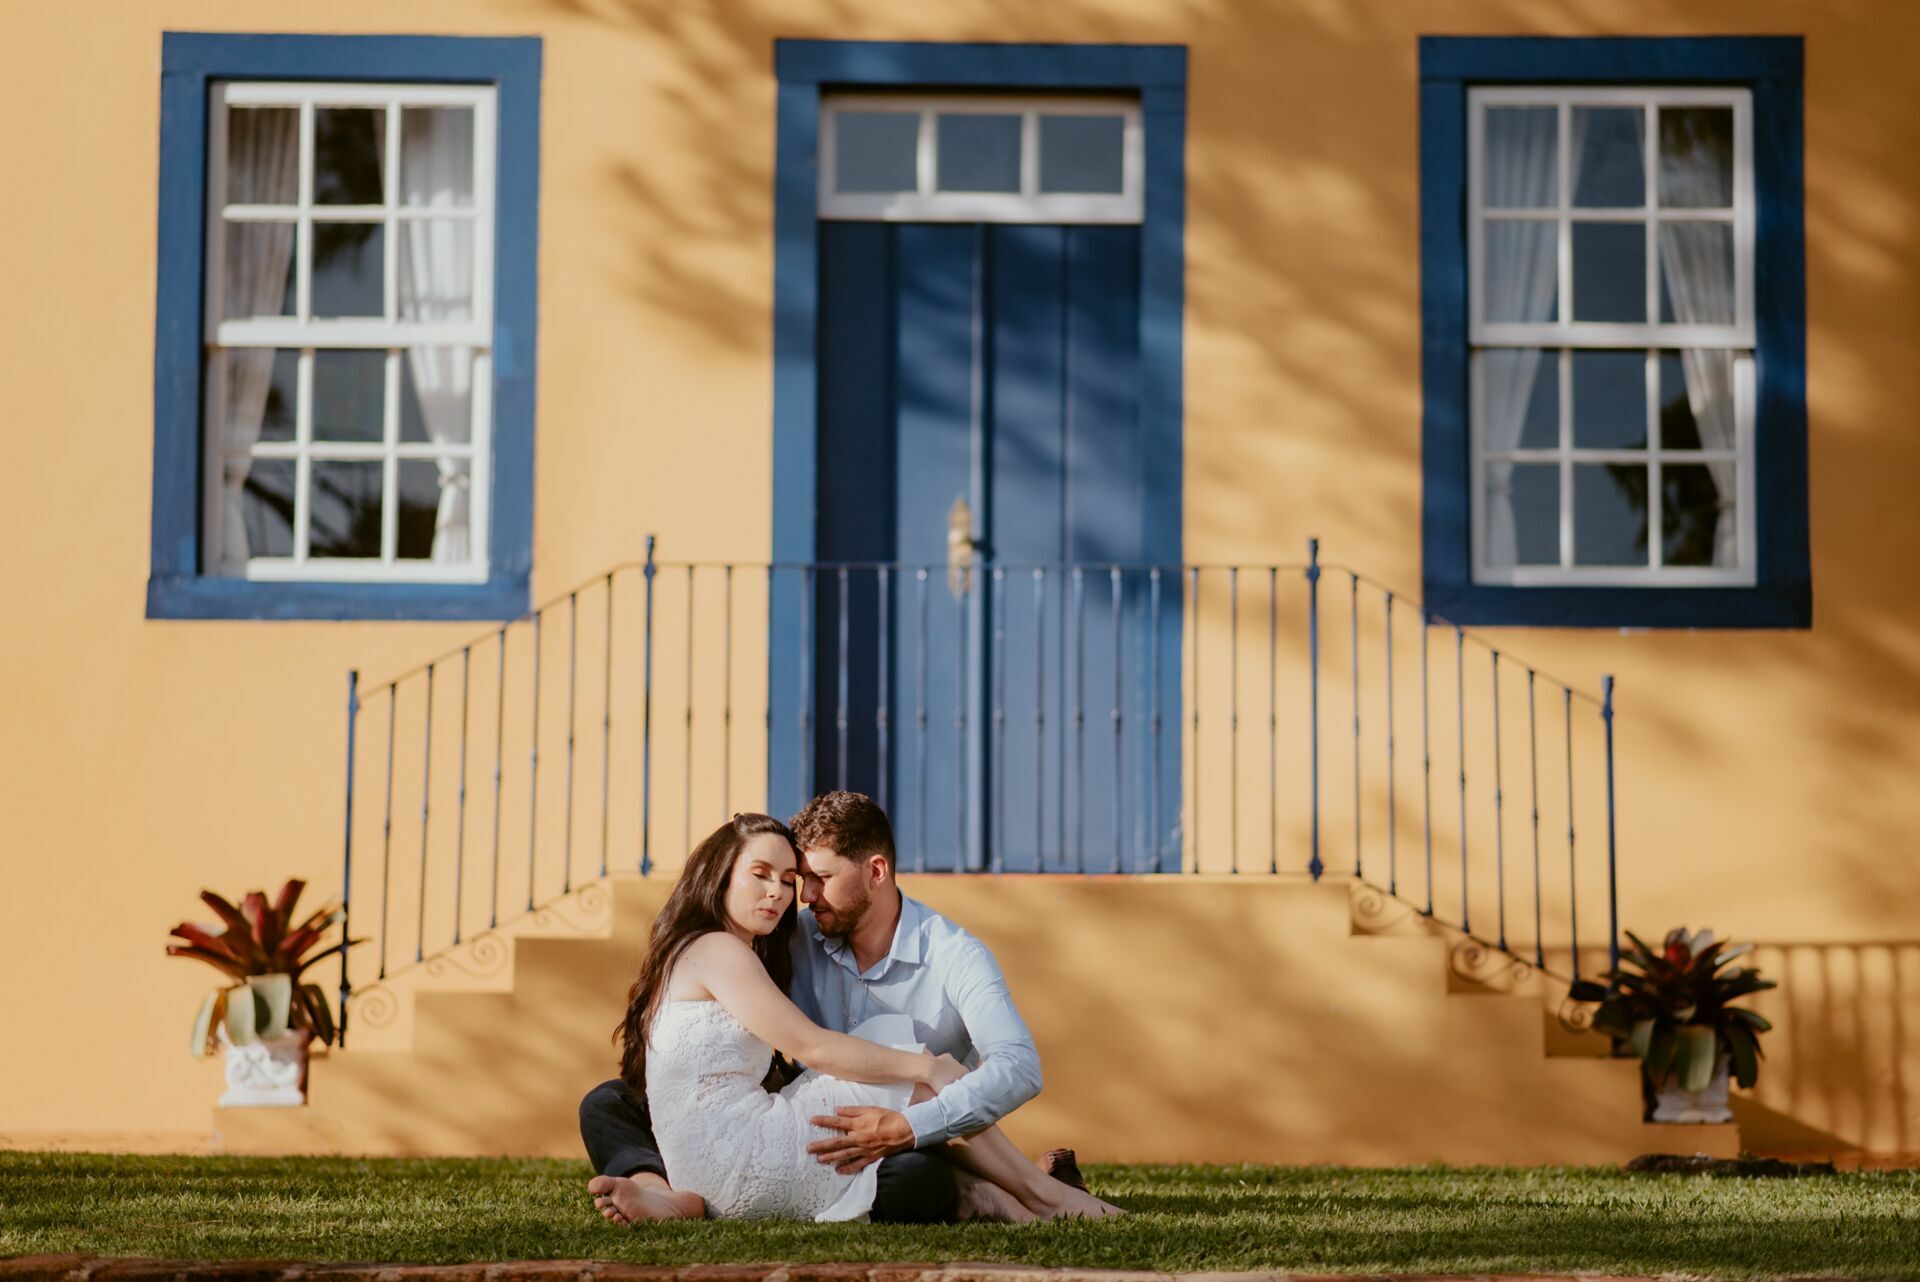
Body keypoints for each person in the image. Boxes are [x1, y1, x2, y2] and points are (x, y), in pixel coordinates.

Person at [581, 800, 1119, 1223]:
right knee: (607, 1101)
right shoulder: (776, 940)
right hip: (782, 1124)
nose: (796, 896)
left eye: (802, 879)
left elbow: (1019, 1067)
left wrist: (908, 1126)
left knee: (915, 1177)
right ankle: (655, 1188)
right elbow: (810, 1047)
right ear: (722, 874)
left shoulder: (953, 954)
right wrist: (927, 1066)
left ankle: (1006, 1190)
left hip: (919, 1133)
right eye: (778, 877)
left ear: (875, 870)